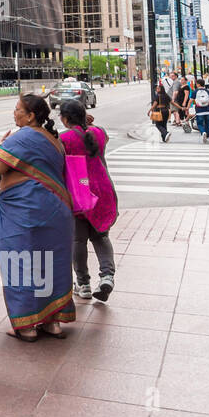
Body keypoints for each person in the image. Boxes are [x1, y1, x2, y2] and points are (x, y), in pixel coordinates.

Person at [0, 94, 76, 341]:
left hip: (25, 211)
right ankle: (52, 322)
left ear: (31, 115)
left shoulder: (22, 137)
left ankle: (26, 325)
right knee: (52, 263)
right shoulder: (53, 139)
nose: (14, 114)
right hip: (56, 211)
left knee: (20, 262)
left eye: (17, 109)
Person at [59, 98, 118, 303]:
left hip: (79, 194)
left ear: (65, 119)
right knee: (101, 237)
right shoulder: (99, 132)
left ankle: (83, 284)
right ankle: (107, 276)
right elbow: (98, 136)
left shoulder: (64, 138)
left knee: (78, 240)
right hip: (103, 192)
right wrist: (90, 124)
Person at [193, 78, 209, 144]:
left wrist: (187, 108)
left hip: (199, 110)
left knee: (199, 123)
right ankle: (208, 135)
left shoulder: (195, 91)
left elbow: (191, 100)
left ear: (198, 84)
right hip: (207, 110)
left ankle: (203, 132)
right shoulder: (208, 91)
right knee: (207, 123)